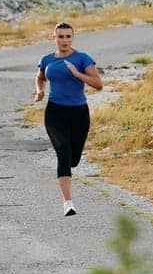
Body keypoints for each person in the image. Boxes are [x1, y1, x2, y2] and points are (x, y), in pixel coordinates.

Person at [34, 22, 102, 216]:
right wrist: (40, 91)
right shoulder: (47, 59)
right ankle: (68, 203)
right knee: (63, 151)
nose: (64, 40)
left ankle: (69, 166)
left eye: (68, 36)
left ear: (72, 37)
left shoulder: (82, 58)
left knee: (73, 159)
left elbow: (98, 84)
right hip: (55, 112)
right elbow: (40, 77)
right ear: (54, 38)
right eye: (60, 37)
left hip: (79, 113)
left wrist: (77, 74)